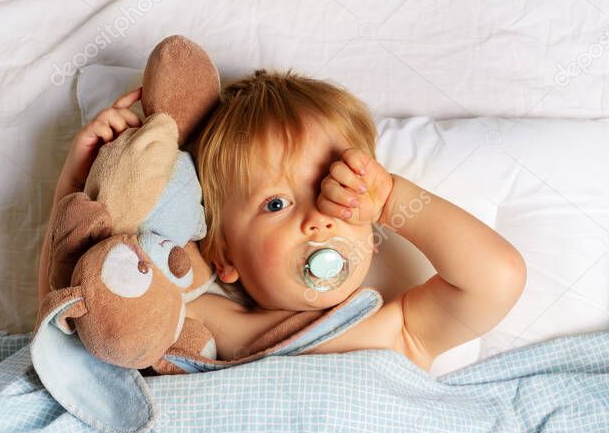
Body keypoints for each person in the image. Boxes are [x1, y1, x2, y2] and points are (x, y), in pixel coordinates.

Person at [187, 69, 527, 372]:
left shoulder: (405, 331)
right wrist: (137, 161)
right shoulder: (216, 324)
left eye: (333, 190)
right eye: (276, 204)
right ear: (225, 257)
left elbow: (498, 278)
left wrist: (392, 201)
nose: (318, 219)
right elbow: (136, 303)